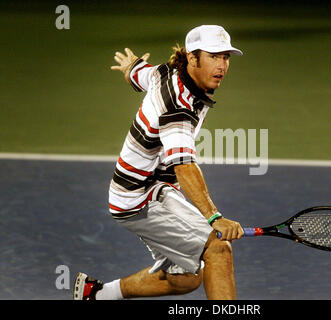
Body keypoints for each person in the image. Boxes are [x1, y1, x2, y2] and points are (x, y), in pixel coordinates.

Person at [73, 25, 245, 300]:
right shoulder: (178, 108)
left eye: (225, 57)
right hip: (141, 196)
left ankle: (98, 295)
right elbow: (184, 166)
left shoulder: (167, 72)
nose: (222, 65)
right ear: (192, 57)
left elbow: (145, 75)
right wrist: (214, 217)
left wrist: (131, 67)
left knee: (185, 279)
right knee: (218, 247)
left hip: (147, 189)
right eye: (213, 56)